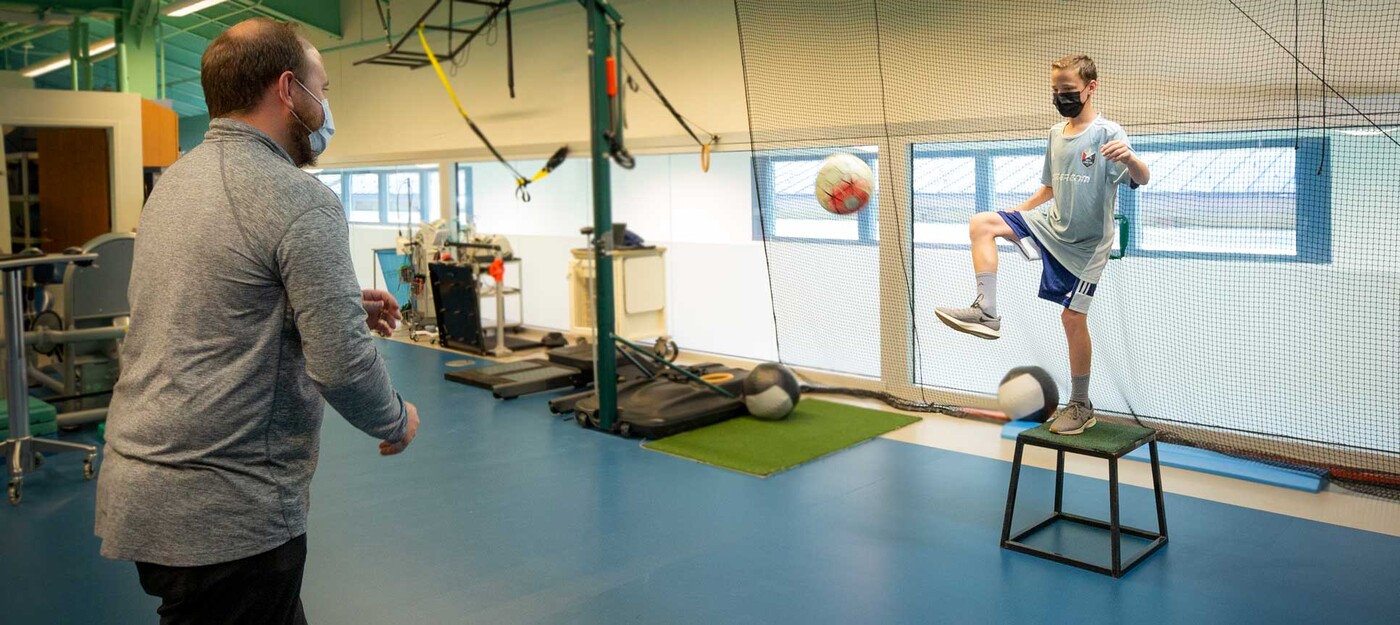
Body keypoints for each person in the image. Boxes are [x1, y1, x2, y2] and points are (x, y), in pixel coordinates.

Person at [95, 18, 420, 624]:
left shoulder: (174, 184)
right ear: (289, 89)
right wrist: (395, 417)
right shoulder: (300, 198)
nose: (325, 108)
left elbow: (214, 299)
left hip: (142, 488)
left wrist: (331, 300)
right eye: (323, 89)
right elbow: (344, 367)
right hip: (228, 510)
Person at [934, 54, 1150, 435]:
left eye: (1068, 90)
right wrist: (1014, 215)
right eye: (1056, 91)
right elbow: (1049, 188)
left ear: (1090, 88)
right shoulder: (1055, 134)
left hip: (1087, 245)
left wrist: (1132, 158)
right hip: (1051, 224)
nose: (1061, 97)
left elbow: (1141, 179)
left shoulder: (1107, 133)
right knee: (982, 223)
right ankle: (986, 311)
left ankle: (1081, 404)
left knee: (1071, 318)